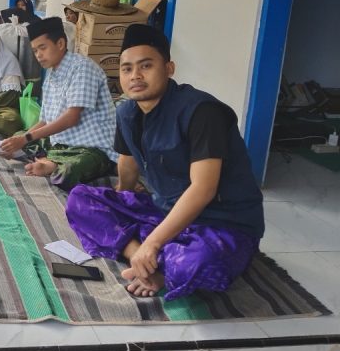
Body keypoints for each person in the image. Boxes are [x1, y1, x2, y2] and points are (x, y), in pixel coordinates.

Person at [66, 24, 264, 299]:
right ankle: (142, 260)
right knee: (80, 199)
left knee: (194, 265)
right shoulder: (126, 112)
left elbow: (203, 188)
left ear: (169, 68)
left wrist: (154, 241)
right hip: (165, 211)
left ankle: (156, 262)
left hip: (221, 223)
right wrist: (122, 203)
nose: (135, 76)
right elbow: (127, 162)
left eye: (146, 66)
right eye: (126, 69)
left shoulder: (202, 112)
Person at [0, 17, 117, 190]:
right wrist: (20, 140)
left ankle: (51, 164)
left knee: (73, 168)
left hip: (90, 148)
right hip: (60, 143)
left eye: (42, 48)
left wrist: (25, 139)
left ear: (61, 44)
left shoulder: (82, 68)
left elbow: (71, 118)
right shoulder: (51, 75)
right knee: (17, 136)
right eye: (35, 50)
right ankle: (49, 160)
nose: (38, 55)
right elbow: (45, 120)